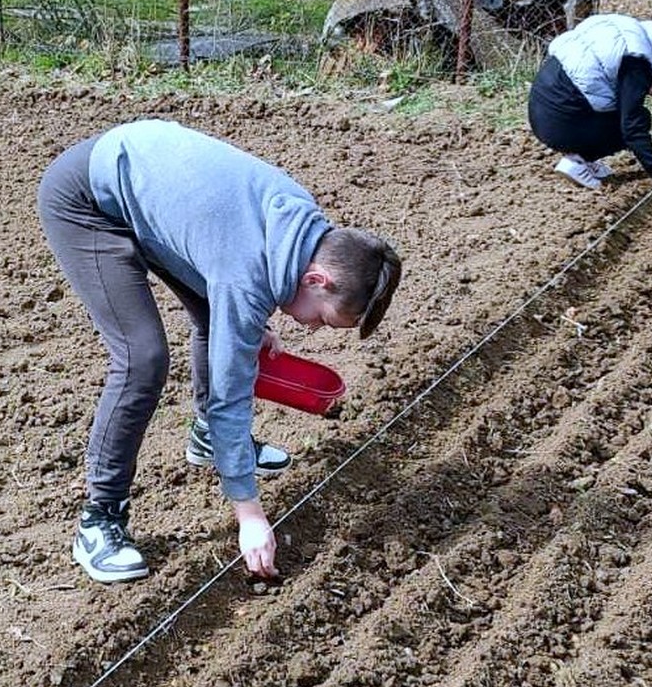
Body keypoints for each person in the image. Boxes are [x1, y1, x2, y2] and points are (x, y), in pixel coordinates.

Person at [38, 119, 402, 584]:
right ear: (316, 280)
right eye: (323, 317)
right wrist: (250, 517)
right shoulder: (248, 273)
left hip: (145, 181)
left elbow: (233, 272)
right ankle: (99, 517)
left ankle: (206, 438)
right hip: (88, 199)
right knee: (142, 357)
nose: (312, 327)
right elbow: (232, 392)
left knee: (223, 322)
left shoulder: (298, 226)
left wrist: (245, 324)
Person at [527, 4, 652, 196]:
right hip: (561, 122)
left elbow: (603, 70)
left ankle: (583, 158)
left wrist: (642, 87)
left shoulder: (626, 28)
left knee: (622, 112)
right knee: (640, 119)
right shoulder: (639, 60)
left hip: (541, 107)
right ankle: (577, 161)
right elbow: (632, 126)